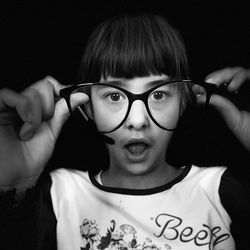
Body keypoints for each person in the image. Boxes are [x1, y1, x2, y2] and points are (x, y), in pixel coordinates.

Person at [0, 13, 250, 250]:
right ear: (87, 106)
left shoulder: (221, 192)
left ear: (184, 101)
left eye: (159, 94)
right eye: (114, 95)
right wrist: (11, 186)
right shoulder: (59, 197)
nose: (138, 121)